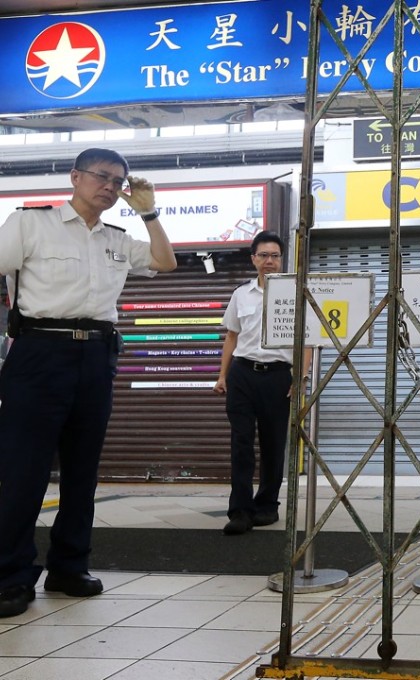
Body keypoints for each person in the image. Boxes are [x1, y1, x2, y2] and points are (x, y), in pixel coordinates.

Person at [0, 148, 177, 618]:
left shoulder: (117, 238)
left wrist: (150, 212)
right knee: (23, 471)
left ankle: (68, 566)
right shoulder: (30, 223)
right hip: (39, 351)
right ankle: (10, 576)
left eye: (118, 181)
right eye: (102, 177)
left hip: (97, 354)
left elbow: (166, 263)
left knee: (83, 469)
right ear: (75, 177)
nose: (111, 187)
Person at [214, 231, 311, 536]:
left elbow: (307, 340)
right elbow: (232, 335)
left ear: (282, 260)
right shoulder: (240, 294)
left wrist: (301, 377)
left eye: (275, 256)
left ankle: (267, 506)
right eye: (264, 255)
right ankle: (240, 511)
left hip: (279, 376)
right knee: (241, 444)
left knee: (273, 445)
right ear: (253, 259)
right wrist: (222, 375)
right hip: (242, 373)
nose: (269, 261)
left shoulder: (297, 293)